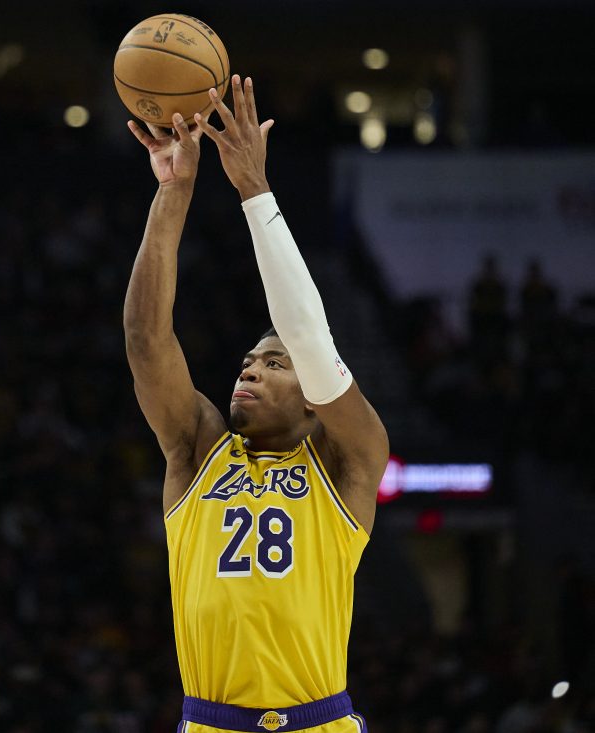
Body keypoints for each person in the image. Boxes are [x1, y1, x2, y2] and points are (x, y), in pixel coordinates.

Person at [123, 74, 388, 732]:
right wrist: (172, 192)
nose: (250, 369)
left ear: (314, 400)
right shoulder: (199, 451)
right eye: (248, 361)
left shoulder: (350, 462)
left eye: (274, 363)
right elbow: (145, 339)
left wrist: (254, 190)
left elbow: (312, 339)